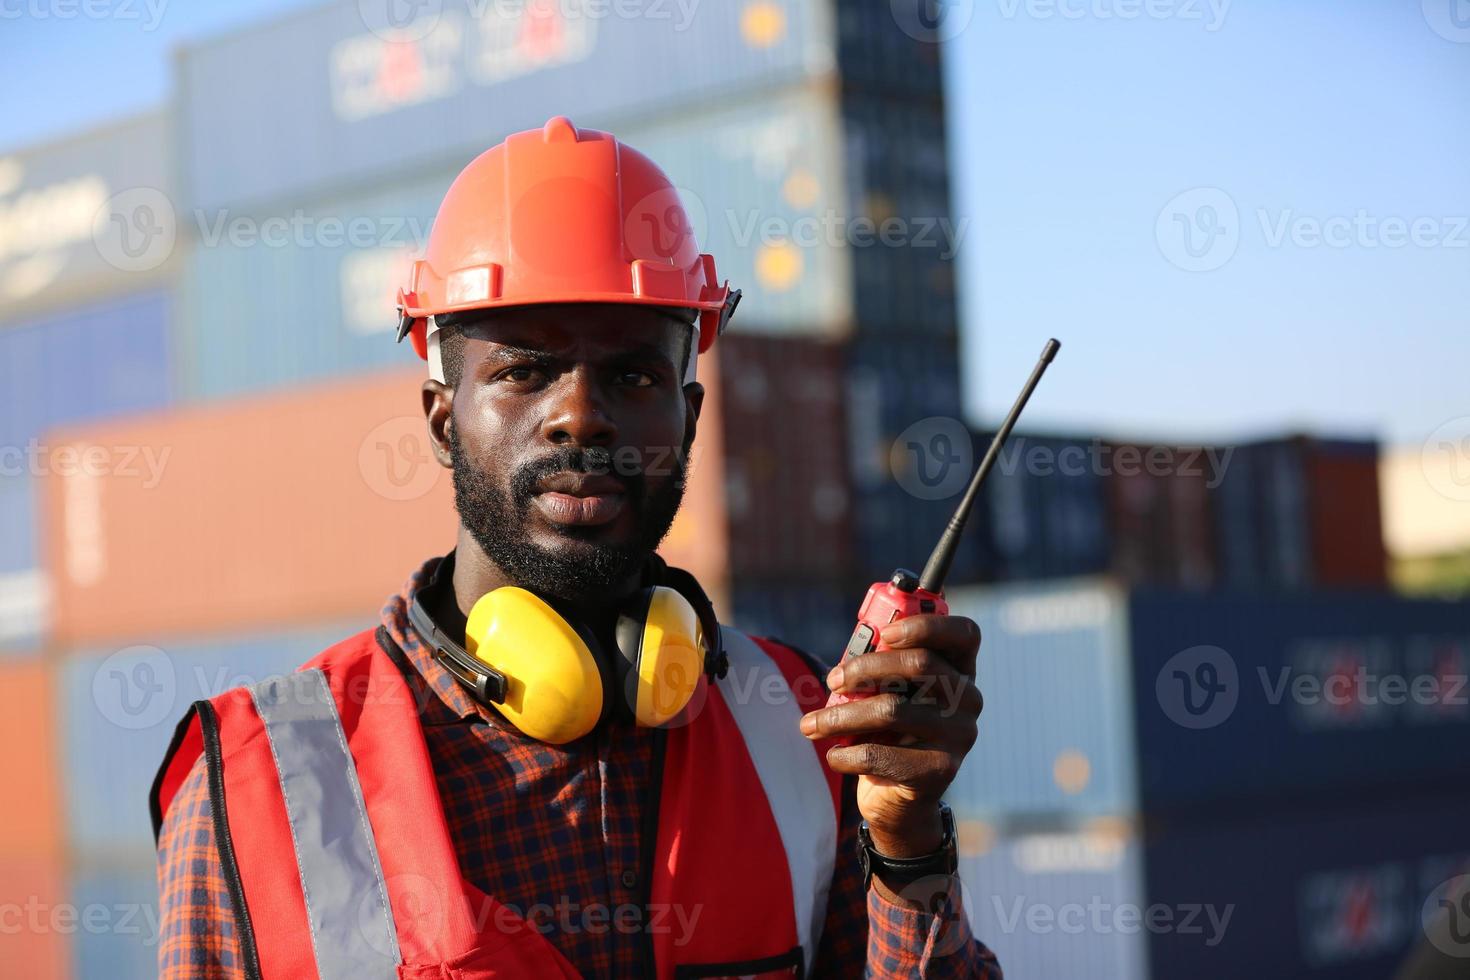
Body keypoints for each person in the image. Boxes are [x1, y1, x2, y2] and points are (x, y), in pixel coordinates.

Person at [152, 116, 1001, 979]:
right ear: (443, 421)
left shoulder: (802, 723)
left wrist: (907, 841)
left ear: (690, 418)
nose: (580, 415)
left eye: (633, 375)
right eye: (523, 369)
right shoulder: (258, 787)